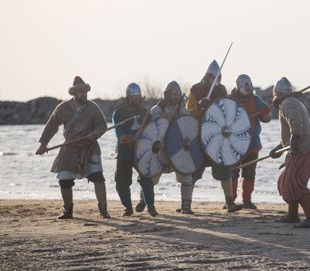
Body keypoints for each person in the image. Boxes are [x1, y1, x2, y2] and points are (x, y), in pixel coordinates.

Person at [36, 76, 110, 219]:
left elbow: (102, 125)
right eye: (80, 92)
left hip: (90, 147)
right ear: (74, 94)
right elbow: (52, 125)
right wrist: (44, 143)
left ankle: (103, 210)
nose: (83, 95)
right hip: (69, 149)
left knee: (98, 178)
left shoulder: (93, 107)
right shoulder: (63, 108)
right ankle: (68, 211)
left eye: (85, 92)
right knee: (64, 180)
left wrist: (94, 134)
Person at [187, 60, 243, 212]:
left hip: (217, 137)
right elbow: (189, 113)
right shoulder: (195, 90)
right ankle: (186, 205)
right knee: (194, 171)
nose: (217, 80)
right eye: (215, 77)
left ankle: (229, 202)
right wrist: (199, 105)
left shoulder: (221, 90)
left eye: (219, 77)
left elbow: (226, 111)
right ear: (207, 76)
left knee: (224, 169)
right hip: (199, 136)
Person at [135, 81, 194, 215]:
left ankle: (186, 206)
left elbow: (188, 128)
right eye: (174, 94)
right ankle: (143, 200)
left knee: (186, 175)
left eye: (178, 94)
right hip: (158, 148)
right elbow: (149, 130)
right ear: (167, 95)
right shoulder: (156, 110)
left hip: (177, 149)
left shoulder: (183, 110)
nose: (176, 96)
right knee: (151, 176)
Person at [269, 77, 310, 228]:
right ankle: (292, 215)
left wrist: (295, 139)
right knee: (288, 181)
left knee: (295, 185)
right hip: (301, 149)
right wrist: (279, 148)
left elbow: (296, 124)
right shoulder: (292, 102)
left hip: (302, 150)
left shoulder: (288, 103)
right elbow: (290, 133)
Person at [229, 74, 272, 209]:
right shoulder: (230, 101)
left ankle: (247, 200)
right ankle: (230, 200)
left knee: (249, 173)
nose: (248, 90)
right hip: (233, 144)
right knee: (232, 173)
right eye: (245, 87)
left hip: (252, 144)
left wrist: (265, 113)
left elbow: (267, 118)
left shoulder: (256, 100)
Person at [112, 83, 150, 217]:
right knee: (121, 182)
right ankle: (128, 207)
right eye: (133, 97)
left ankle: (145, 200)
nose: (136, 99)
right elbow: (120, 135)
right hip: (125, 152)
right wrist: (129, 139)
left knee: (147, 179)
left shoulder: (145, 113)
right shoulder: (119, 113)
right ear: (128, 97)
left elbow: (151, 132)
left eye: (138, 97)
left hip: (142, 152)